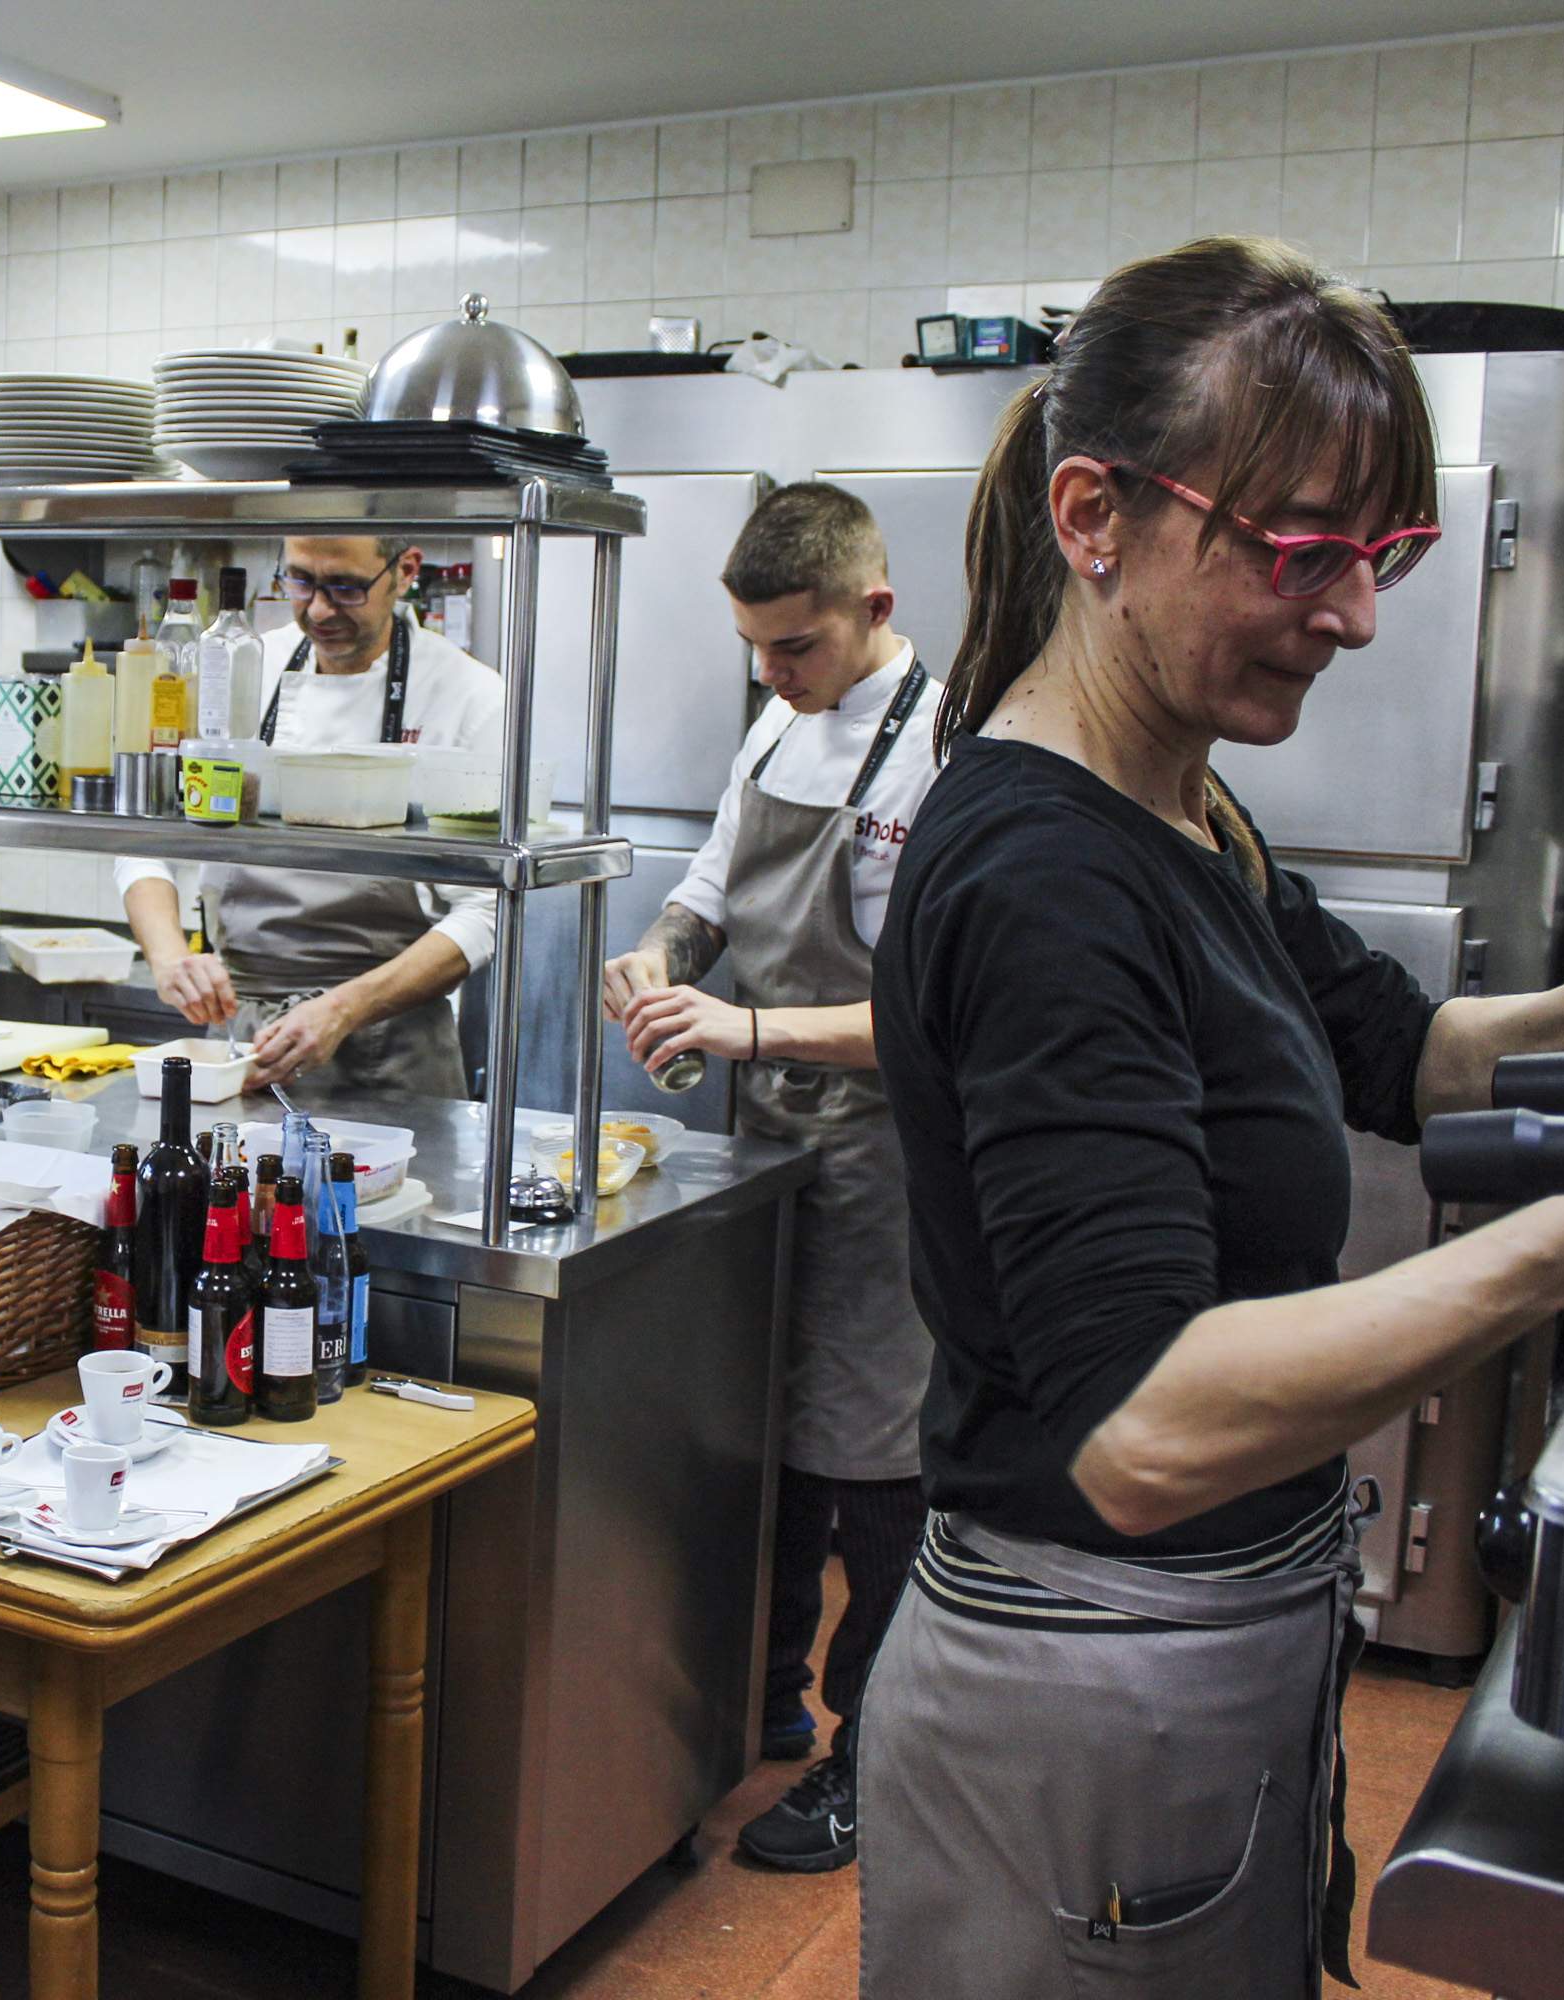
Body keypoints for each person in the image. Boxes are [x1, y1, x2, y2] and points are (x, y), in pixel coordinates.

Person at [859, 233, 1564, 1999]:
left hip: (1210, 1657)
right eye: (1300, 551)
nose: (1355, 615)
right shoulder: (1044, 876)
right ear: (1095, 517)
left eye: (1386, 555)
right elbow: (1137, 1429)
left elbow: (1397, 1053)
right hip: (1083, 1704)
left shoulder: (1182, 807)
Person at [600, 482, 936, 1874]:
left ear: (876, 609)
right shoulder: (778, 720)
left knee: (877, 1465)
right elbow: (712, 890)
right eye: (753, 648)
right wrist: (660, 959)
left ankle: (877, 1753)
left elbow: (943, 1018)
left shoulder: (953, 757)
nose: (770, 674)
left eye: (793, 648)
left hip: (887, 1155)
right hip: (766, 1144)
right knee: (773, 1439)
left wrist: (748, 1026)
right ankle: (767, 1703)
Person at [116, 536, 507, 1095]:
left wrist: (345, 1008)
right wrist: (169, 956)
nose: (319, 610)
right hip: (243, 1042)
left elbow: (489, 909)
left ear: (405, 572)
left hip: (391, 1050)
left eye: (346, 588)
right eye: (300, 582)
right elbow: (146, 835)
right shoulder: (241, 660)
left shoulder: (468, 696)